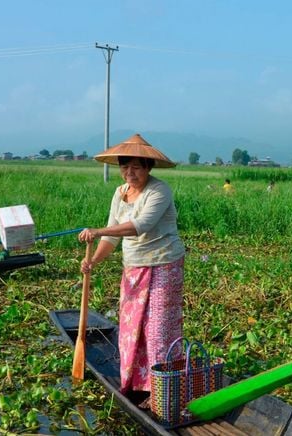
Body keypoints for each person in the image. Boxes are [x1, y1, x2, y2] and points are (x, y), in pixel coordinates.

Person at [78, 133, 186, 405]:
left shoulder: (159, 191)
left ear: (148, 167)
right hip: (133, 267)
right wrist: (94, 261)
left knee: (158, 329)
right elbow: (112, 238)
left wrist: (98, 229)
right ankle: (137, 383)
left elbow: (140, 225)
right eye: (125, 167)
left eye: (136, 167)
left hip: (164, 264)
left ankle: (161, 392)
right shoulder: (120, 193)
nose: (129, 172)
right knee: (130, 328)